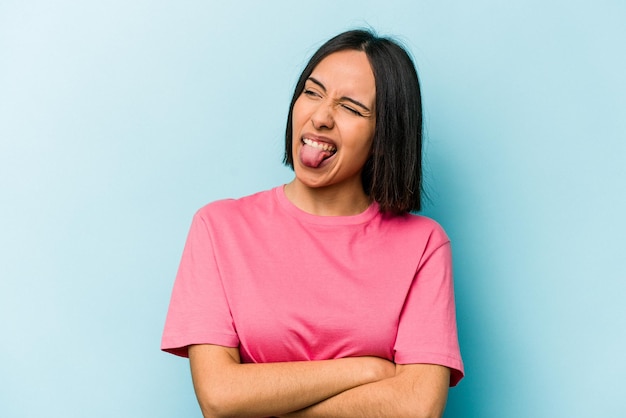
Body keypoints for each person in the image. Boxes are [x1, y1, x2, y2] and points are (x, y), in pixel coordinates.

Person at [161, 29, 464, 417]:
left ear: (385, 134)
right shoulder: (219, 228)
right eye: (312, 92)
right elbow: (220, 397)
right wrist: (366, 370)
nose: (320, 117)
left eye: (351, 108)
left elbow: (416, 408)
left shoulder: (424, 245)